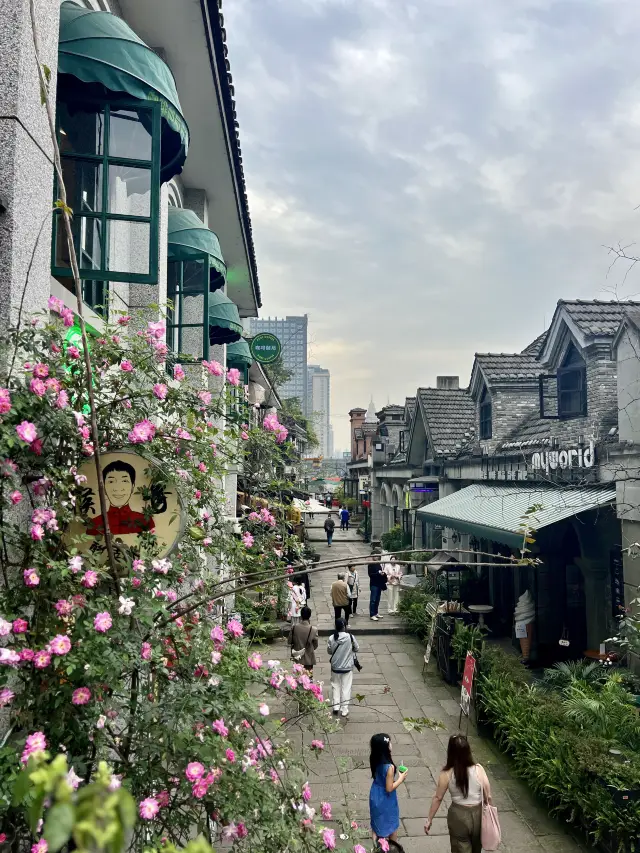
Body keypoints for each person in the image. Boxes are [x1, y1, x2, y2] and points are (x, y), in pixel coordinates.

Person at [424, 734, 493, 853]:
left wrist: (429, 819)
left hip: (458, 817)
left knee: (460, 847)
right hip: (478, 815)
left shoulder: (446, 774)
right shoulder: (479, 769)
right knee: (477, 847)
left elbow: (438, 797)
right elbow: (488, 796)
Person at [86, 459, 155, 536]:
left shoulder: (145, 521)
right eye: (111, 481)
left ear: (133, 486)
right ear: (103, 488)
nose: (118, 488)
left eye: (124, 481)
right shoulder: (94, 524)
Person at [369, 733, 407, 851]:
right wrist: (401, 778)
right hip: (386, 799)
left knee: (377, 824)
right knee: (391, 824)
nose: (391, 744)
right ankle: (392, 848)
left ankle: (376, 847)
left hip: (375, 794)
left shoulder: (375, 759)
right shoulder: (389, 767)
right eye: (389, 742)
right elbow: (389, 788)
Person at [326, 618, 358, 717]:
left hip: (335, 666)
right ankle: (344, 709)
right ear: (345, 626)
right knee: (346, 688)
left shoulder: (332, 638)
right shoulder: (351, 637)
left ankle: (336, 706)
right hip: (347, 667)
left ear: (335, 626)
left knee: (335, 686)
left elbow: (329, 651)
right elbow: (356, 648)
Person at [291, 606, 318, 673]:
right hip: (309, 658)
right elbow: (315, 645)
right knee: (308, 679)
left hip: (297, 657)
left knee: (298, 679)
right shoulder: (313, 629)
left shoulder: (294, 628)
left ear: (301, 615)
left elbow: (289, 641)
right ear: (310, 615)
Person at [368, 551, 387, 621]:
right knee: (373, 599)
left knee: (378, 599)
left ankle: (376, 612)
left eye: (377, 556)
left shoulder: (378, 564)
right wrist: (378, 573)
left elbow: (381, 572)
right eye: (375, 556)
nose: (376, 557)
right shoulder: (370, 564)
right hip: (374, 584)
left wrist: (382, 574)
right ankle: (372, 614)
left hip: (379, 584)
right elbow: (370, 575)